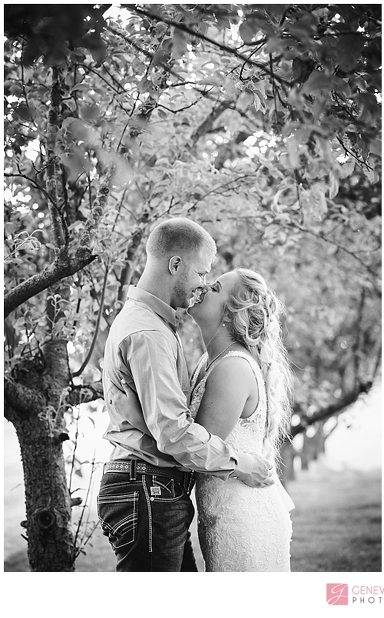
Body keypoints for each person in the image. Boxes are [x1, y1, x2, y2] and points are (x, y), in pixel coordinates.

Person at [97, 217, 274, 572]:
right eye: (202, 274)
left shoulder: (155, 324)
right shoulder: (149, 332)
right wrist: (239, 464)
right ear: (175, 265)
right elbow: (174, 432)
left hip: (152, 487)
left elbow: (169, 424)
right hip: (146, 487)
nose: (203, 285)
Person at [186, 268, 294, 571]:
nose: (205, 287)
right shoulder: (209, 362)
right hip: (224, 512)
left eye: (216, 287)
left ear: (231, 314)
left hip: (242, 518)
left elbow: (193, 450)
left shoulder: (231, 369)